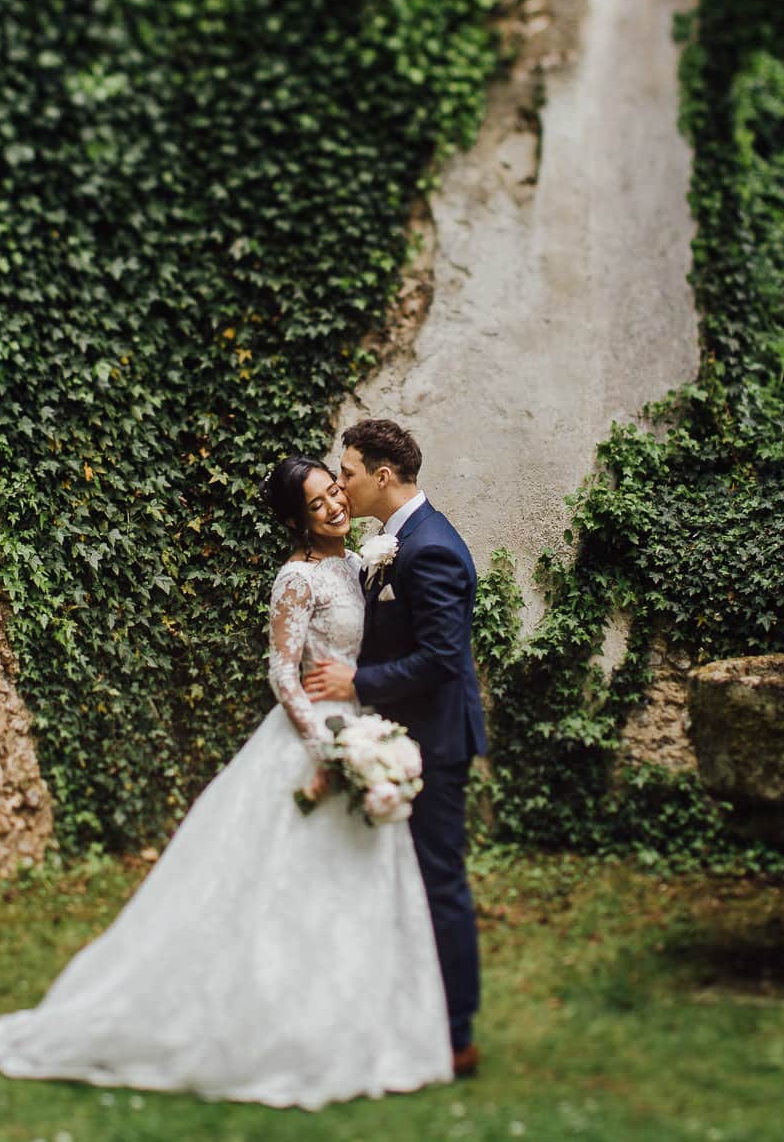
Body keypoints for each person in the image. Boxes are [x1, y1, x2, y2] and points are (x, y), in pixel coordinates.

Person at [0, 456, 453, 1109]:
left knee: (356, 878)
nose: (332, 504)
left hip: (361, 724)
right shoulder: (296, 577)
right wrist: (325, 750)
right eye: (316, 501)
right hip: (316, 738)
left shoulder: (357, 563)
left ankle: (355, 1020)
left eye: (334, 490)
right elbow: (281, 671)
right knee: (279, 885)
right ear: (296, 518)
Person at [304, 418, 486, 1078]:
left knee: (440, 882)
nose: (342, 481)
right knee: (408, 880)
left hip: (433, 740)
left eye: (348, 470)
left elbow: (441, 657)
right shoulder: (395, 540)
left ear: (383, 475)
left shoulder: (429, 547)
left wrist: (359, 680)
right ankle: (412, 1009)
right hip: (404, 733)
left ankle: (457, 1033)